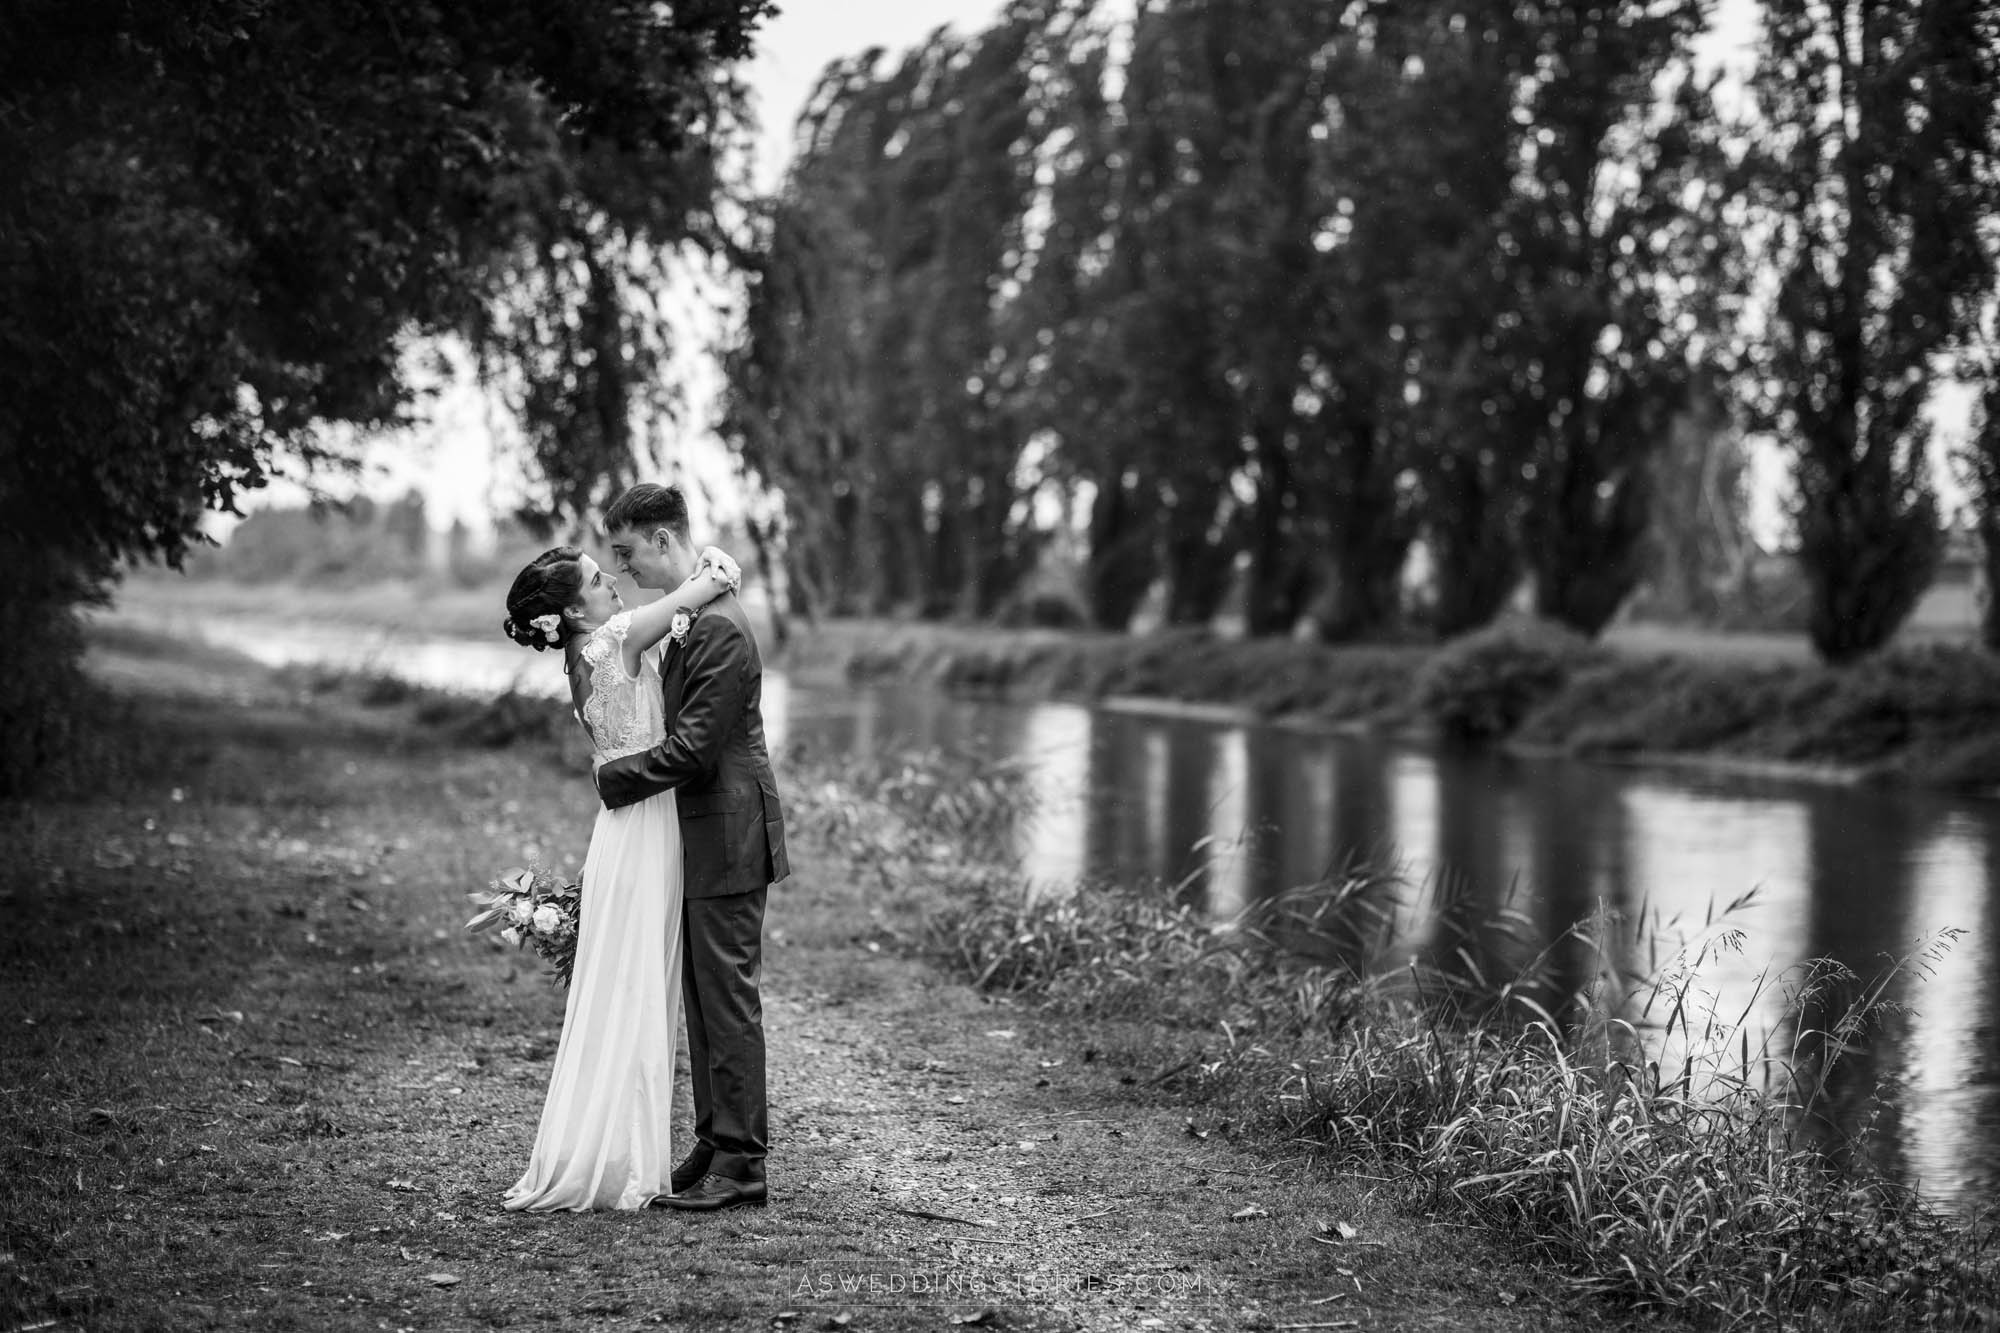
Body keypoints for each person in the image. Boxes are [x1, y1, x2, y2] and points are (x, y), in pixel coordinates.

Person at [497, 540, 739, 1211]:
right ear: (574, 608)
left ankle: (612, 1145)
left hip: (620, 828)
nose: (612, 581)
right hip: (650, 821)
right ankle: (630, 1157)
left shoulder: (582, 657)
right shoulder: (616, 634)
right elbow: (708, 584)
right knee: (638, 984)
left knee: (620, 983)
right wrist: (713, 560)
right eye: (599, 580)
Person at [595, 482, 789, 1214]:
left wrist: (617, 780)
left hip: (730, 831)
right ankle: (714, 1140)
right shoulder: (691, 615)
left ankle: (744, 1165)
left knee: (728, 1001)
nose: (623, 569)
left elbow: (694, 751)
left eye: (627, 552)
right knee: (704, 1001)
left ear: (664, 540)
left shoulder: (717, 631)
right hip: (703, 832)